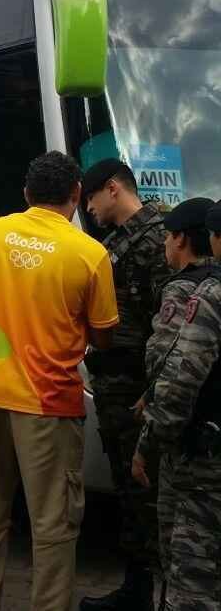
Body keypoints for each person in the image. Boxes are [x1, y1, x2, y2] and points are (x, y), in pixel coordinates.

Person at [0, 151, 119, 611]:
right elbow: (103, 333)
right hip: (48, 403)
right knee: (53, 526)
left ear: (26, 194)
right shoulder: (90, 253)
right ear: (75, 195)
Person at [79, 159, 169, 611]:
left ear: (112, 189)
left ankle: (161, 593)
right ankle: (135, 591)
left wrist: (152, 391)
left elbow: (166, 326)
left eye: (91, 197)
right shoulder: (113, 242)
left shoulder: (158, 238)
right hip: (113, 384)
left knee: (148, 493)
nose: (88, 208)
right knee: (128, 493)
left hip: (137, 387)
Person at [133, 197, 221, 611]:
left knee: (193, 579)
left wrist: (147, 446)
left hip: (203, 466)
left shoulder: (208, 298)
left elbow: (178, 383)